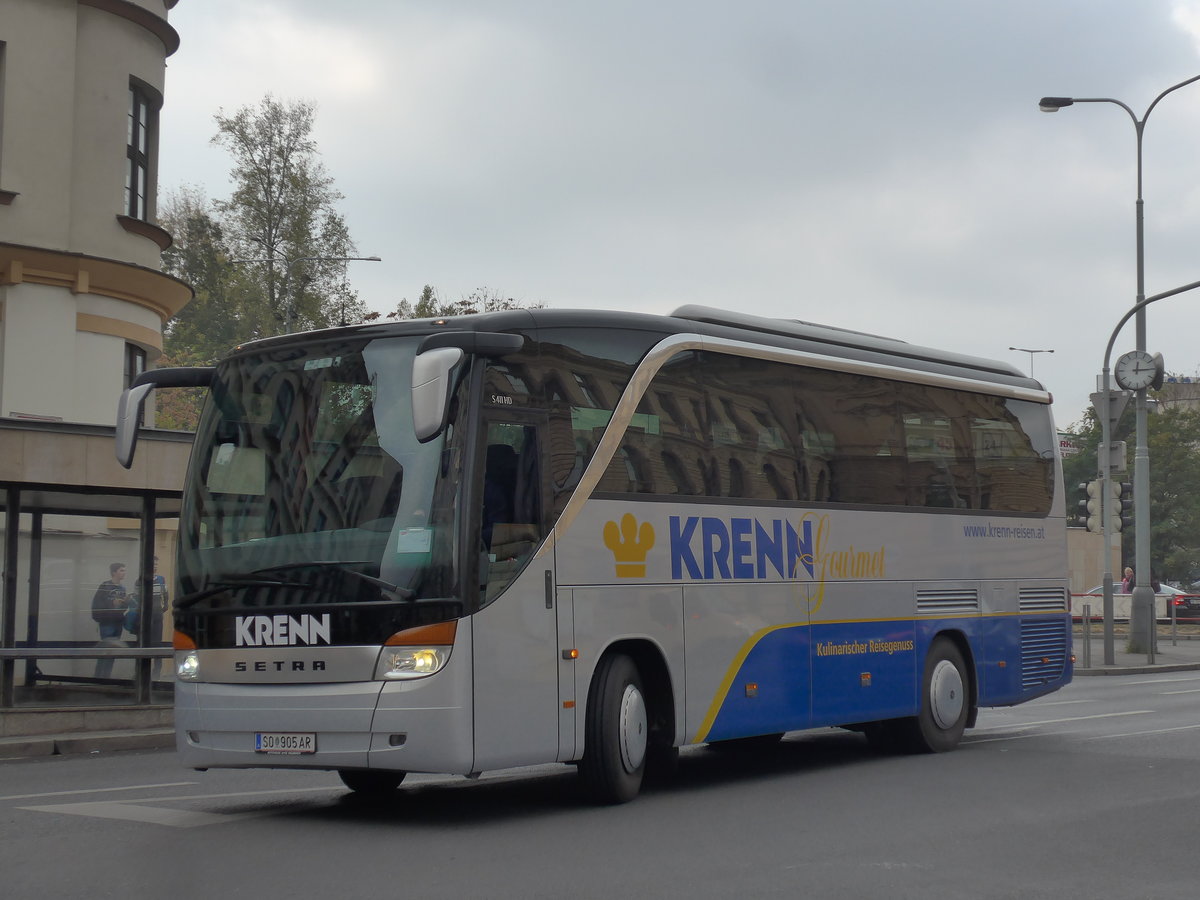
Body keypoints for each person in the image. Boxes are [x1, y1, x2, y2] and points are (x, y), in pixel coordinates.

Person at [127, 557, 169, 678]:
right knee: (143, 642)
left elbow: (165, 594)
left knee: (157, 643)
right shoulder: (140, 580)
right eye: (153, 564)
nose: (155, 566)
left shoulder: (161, 579)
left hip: (157, 614)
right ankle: (140, 672)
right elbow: (136, 597)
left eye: (156, 564)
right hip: (145, 614)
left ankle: (157, 673)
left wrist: (163, 606)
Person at [91, 562, 128, 679]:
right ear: (114, 573)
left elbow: (123, 608)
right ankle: (99, 677)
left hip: (117, 621)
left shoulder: (122, 588)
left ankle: (106, 676)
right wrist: (111, 603)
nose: (124, 573)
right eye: (121, 570)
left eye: (124, 570)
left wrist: (125, 603)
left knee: (113, 651)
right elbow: (97, 604)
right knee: (105, 650)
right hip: (107, 622)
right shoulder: (105, 586)